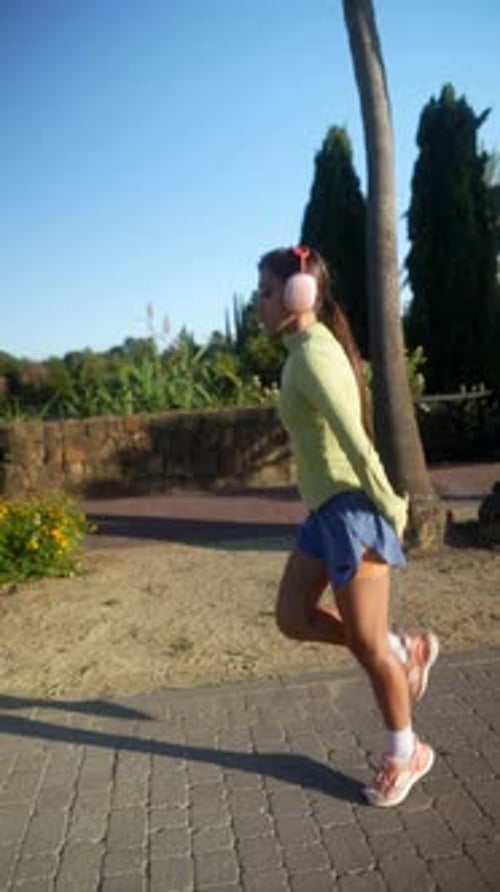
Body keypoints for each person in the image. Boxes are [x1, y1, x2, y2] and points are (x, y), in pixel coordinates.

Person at [257, 245, 439, 807]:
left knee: (365, 644)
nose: (258, 304)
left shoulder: (313, 356)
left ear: (298, 296)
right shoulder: (300, 353)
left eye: (266, 292)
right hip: (323, 512)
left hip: (352, 510)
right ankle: (401, 647)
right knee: (292, 617)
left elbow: (356, 437)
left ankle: (405, 751)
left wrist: (391, 504)